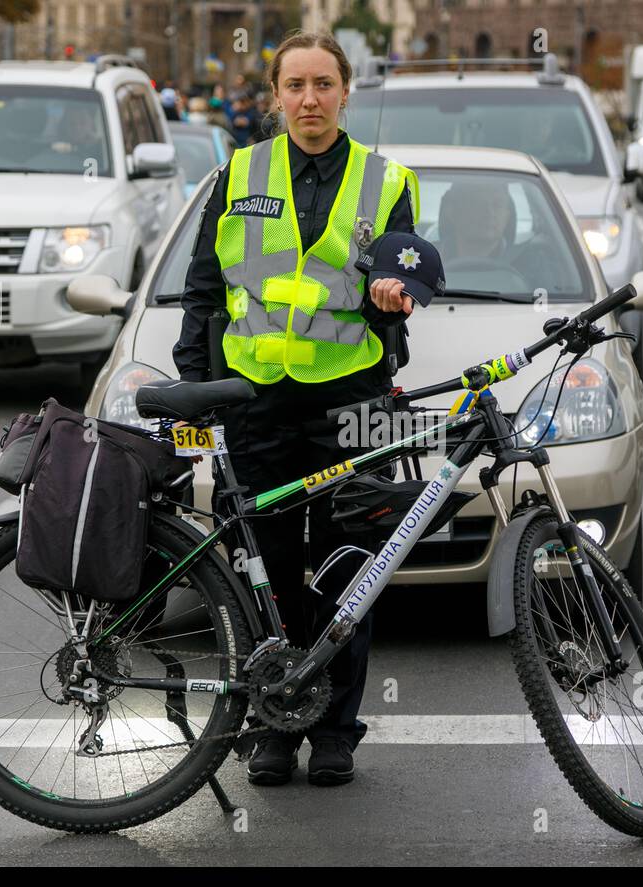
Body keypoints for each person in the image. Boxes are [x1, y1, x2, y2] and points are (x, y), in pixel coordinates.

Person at [174, 29, 428, 787]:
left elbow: (402, 288)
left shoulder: (389, 181)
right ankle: (272, 725)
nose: (309, 100)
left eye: (323, 85)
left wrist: (392, 300)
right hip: (257, 401)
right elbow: (203, 289)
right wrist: (200, 384)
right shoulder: (237, 173)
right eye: (296, 86)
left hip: (353, 397)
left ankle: (337, 730)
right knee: (269, 568)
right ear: (276, 94)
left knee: (351, 566)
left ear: (346, 91)